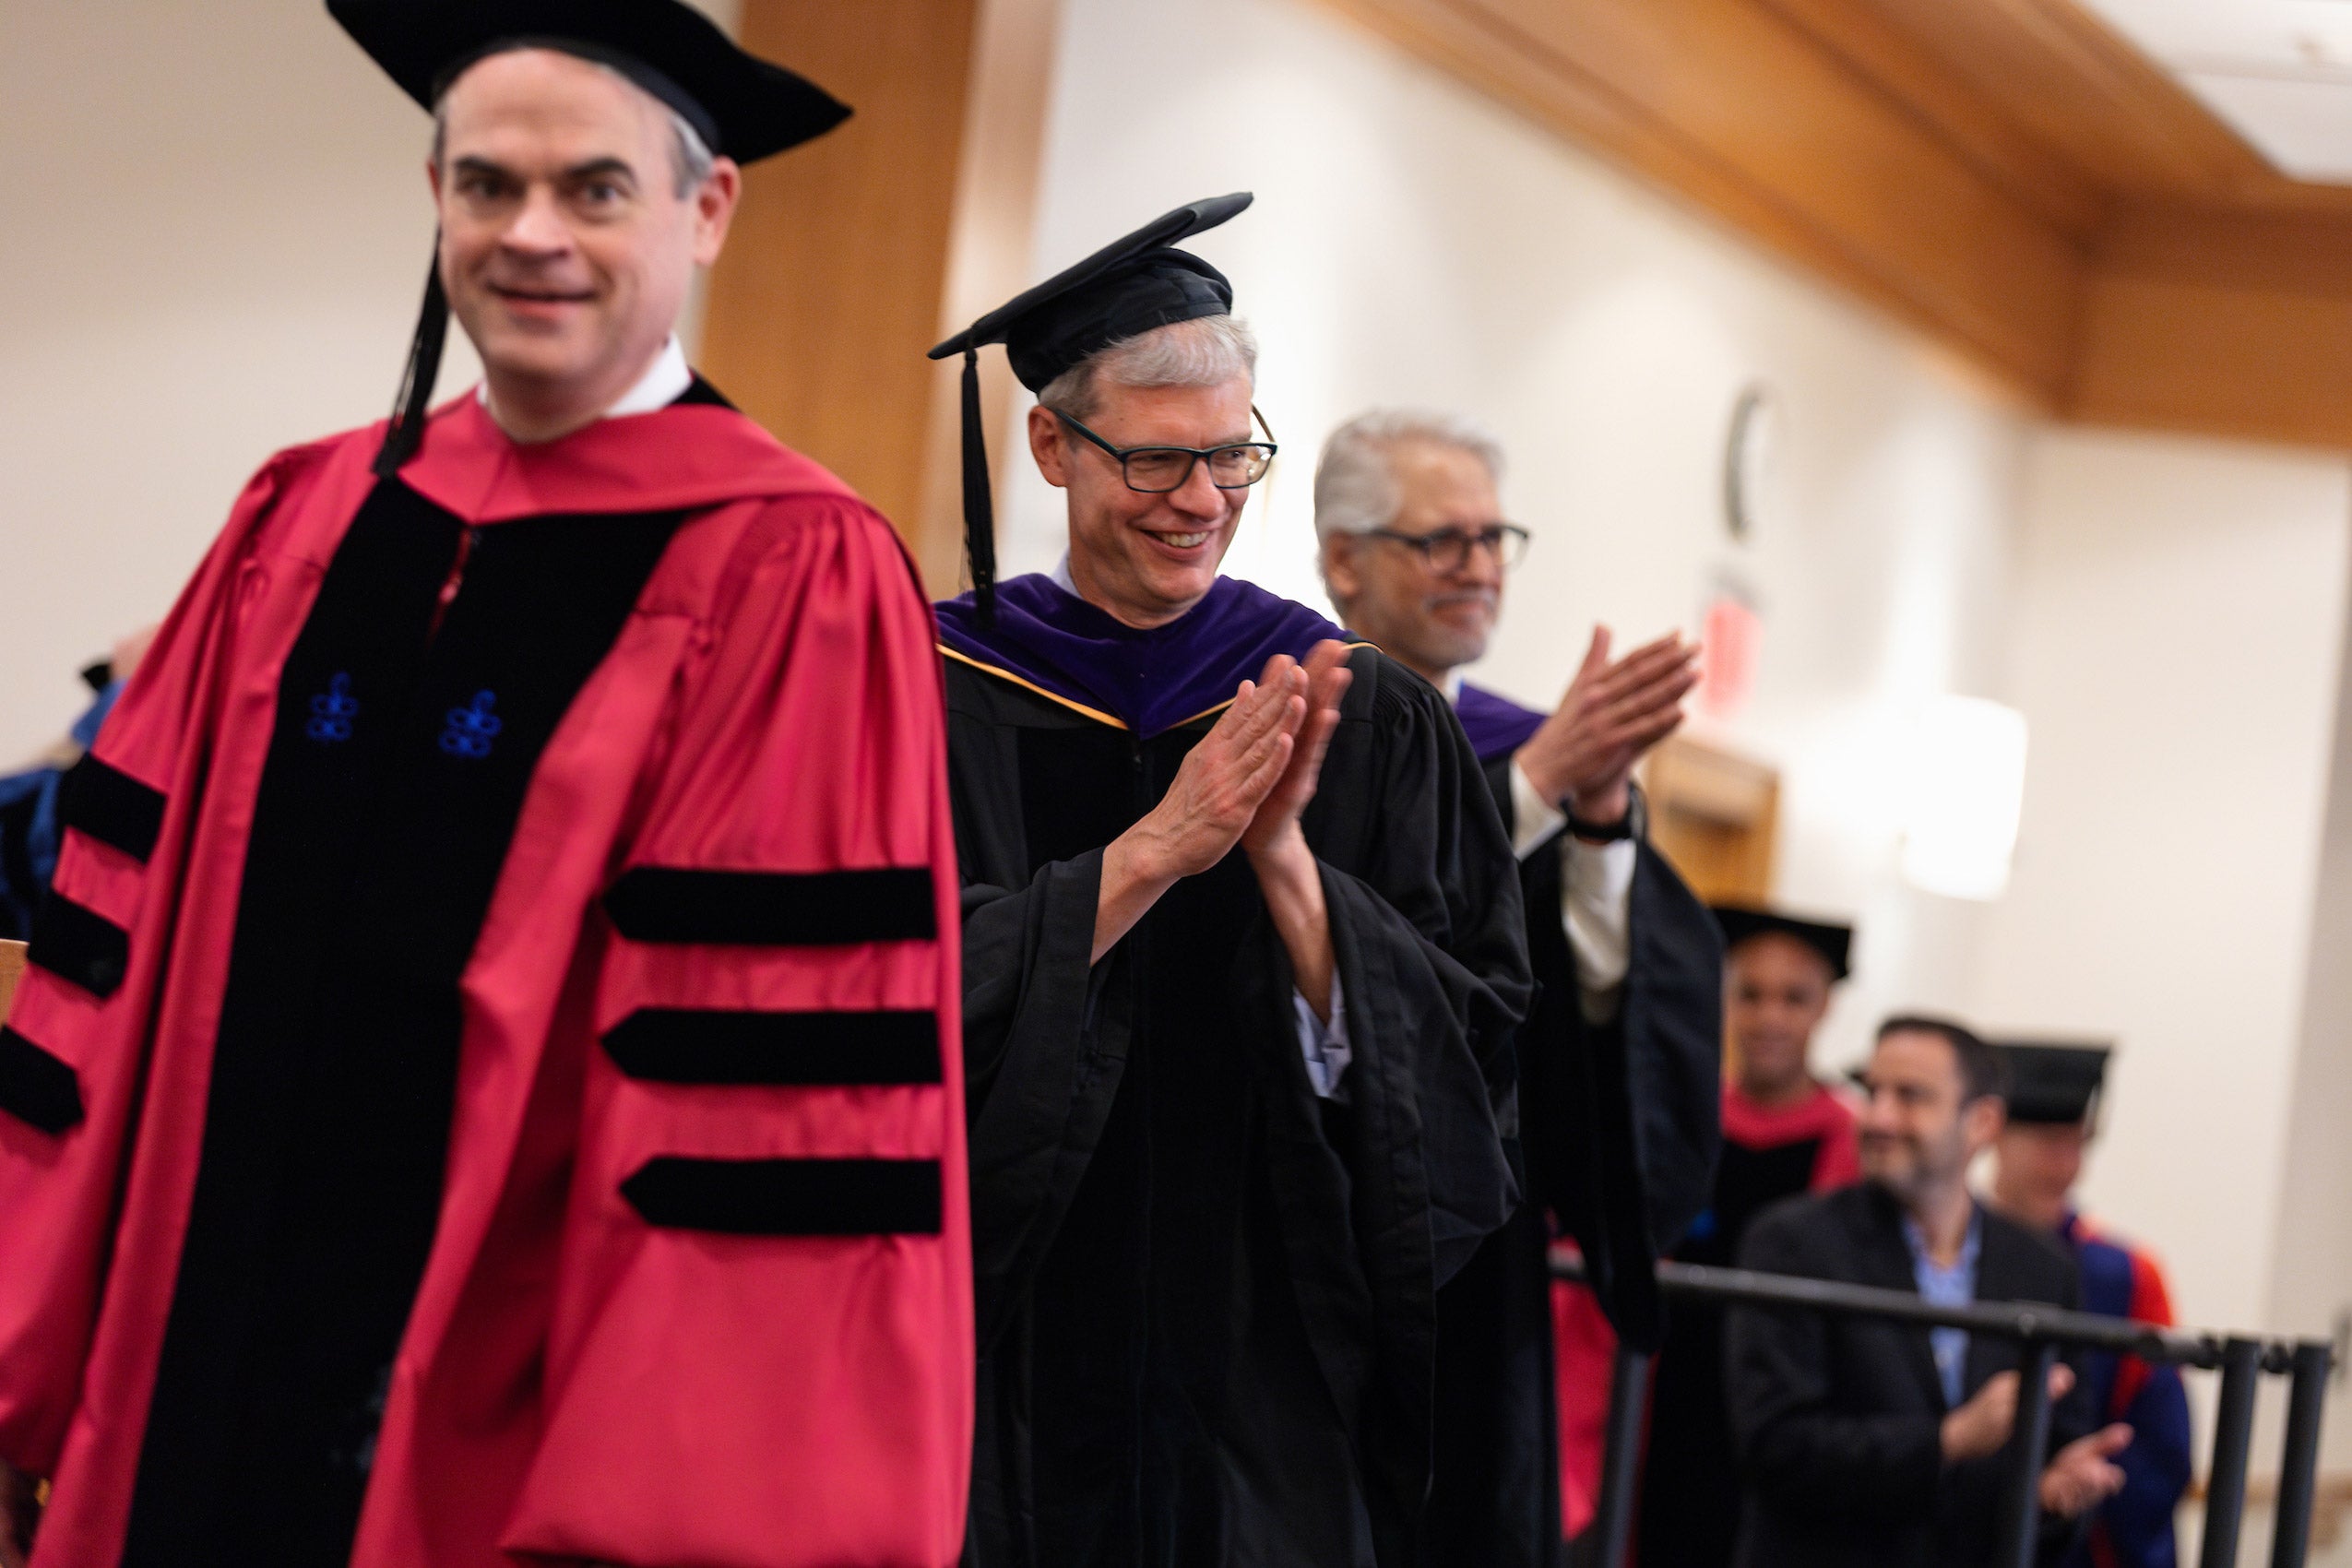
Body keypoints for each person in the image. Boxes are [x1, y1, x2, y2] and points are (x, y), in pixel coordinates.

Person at [0, 6, 972, 1565]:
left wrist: (663, 1522)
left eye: (594, 190)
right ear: (436, 193)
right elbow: (106, 966)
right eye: (488, 185)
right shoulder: (304, 516)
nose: (534, 234)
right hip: (188, 1377)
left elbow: (768, 1104)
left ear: (705, 210)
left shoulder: (795, 573)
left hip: (514, 1445)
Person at [928, 198, 1533, 1568]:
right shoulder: (932, 686)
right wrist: (1150, 857)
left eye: (1231, 455)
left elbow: (1470, 1047)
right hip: (996, 1339)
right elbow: (877, 991)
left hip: (1256, 1356)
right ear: (1051, 445)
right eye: (1153, 458)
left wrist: (1290, 882)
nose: (1199, 500)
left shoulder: (1351, 708)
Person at [1312, 409, 1722, 1565]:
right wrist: (1542, 783)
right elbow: (1366, 938)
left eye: (1496, 537)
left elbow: (1578, 1020)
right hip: (1325, 1242)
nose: (1480, 565)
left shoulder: (1504, 741)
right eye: (1441, 539)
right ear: (1345, 557)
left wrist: (1595, 826)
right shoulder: (1294, 719)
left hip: (1481, 1265)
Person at [1727, 1016, 2132, 1568]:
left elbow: (2055, 1446)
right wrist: (1951, 1438)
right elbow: (1776, 1446)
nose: (1879, 1117)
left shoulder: (2042, 1270)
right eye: (1873, 1092)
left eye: (1910, 1096)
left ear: (1982, 1122)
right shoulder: (1793, 1242)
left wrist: (2052, 1498)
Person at [1632, 906, 1863, 1564]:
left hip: (1788, 1388)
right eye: (1751, 994)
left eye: (1795, 998)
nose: (1770, 1018)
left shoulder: (1851, 1136)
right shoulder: (1685, 1116)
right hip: (1673, 1384)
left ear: (1824, 1008)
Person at [1990, 1042, 2192, 1568]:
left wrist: (2074, 1494)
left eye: (2080, 1143)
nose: (2068, 1166)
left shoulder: (2126, 1275)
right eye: (2048, 1142)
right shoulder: (1947, 1260)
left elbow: (2158, 1441)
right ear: (1992, 1133)